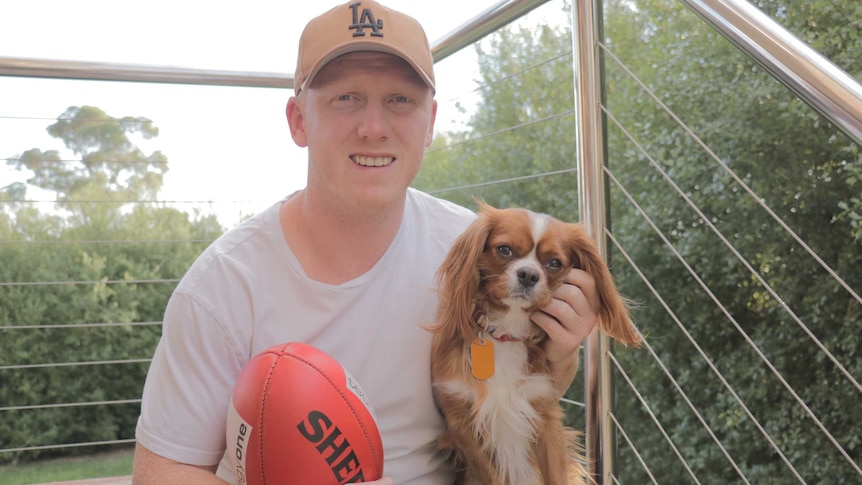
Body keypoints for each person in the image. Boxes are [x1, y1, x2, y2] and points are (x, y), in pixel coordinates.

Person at [132, 1, 600, 483]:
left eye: (400, 100)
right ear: (298, 120)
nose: (374, 128)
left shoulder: (474, 253)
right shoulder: (222, 287)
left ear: (430, 122)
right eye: (346, 98)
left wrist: (561, 354)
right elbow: (163, 469)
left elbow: (521, 403)